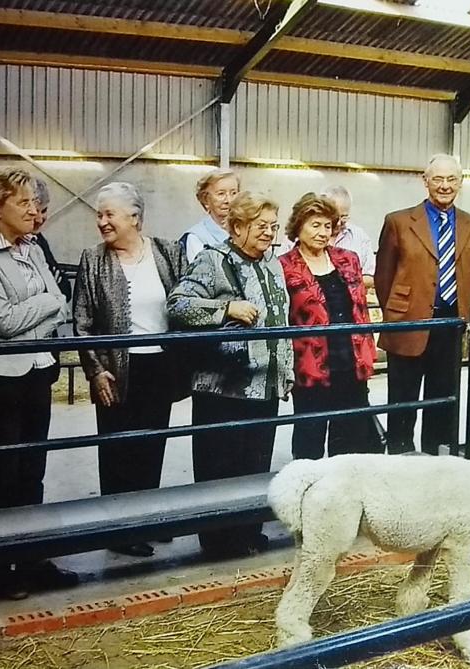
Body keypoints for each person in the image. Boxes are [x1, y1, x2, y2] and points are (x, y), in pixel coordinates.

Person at [0, 166, 76, 600]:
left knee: (33, 469)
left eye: (33, 202)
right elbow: (4, 321)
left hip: (36, 369)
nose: (33, 210)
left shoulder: (31, 245)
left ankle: (32, 558)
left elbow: (61, 305)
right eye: (23, 202)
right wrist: (43, 303)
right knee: (5, 471)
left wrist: (41, 304)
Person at [168, 190, 293, 559]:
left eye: (272, 226)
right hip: (224, 388)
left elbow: (280, 320)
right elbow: (178, 305)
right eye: (260, 226)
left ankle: (248, 531)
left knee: (255, 463)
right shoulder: (212, 260)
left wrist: (284, 370)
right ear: (237, 227)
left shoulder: (272, 263)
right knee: (221, 466)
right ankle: (219, 541)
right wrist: (226, 308)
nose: (268, 233)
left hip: (264, 383)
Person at [73, 182, 188, 557]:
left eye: (109, 214)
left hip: (160, 364)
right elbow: (82, 322)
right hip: (116, 370)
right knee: (118, 448)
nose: (102, 222)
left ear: (134, 218)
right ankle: (119, 530)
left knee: (152, 443)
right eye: (99, 214)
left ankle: (146, 518)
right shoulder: (93, 260)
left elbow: (184, 304)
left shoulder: (168, 252)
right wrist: (94, 371)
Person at [374, 153, 470, 455]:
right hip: (408, 323)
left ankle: (435, 461)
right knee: (403, 402)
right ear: (425, 181)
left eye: (451, 179)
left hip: (449, 325)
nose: (444, 186)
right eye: (438, 179)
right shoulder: (398, 222)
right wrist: (402, 311)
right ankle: (400, 459)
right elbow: (383, 277)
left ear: (461, 182)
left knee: (442, 402)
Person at [279, 192, 380, 460]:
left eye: (328, 226)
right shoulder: (284, 267)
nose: (323, 232)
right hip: (310, 369)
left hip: (351, 364)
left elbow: (360, 310)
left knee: (350, 442)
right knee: (309, 442)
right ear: (298, 226)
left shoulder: (348, 259)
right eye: (315, 225)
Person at [180, 168, 240, 263]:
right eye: (221, 194)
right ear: (206, 199)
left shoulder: (246, 231)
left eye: (234, 193)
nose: (229, 200)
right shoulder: (196, 237)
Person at [322, 185, 376, 289]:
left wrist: (341, 285)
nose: (338, 223)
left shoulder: (359, 236)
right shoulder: (309, 234)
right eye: (334, 217)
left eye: (343, 217)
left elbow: (370, 276)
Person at [30, 177, 72, 301]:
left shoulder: (38, 240)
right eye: (33, 212)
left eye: (44, 211)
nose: (39, 218)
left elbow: (65, 291)